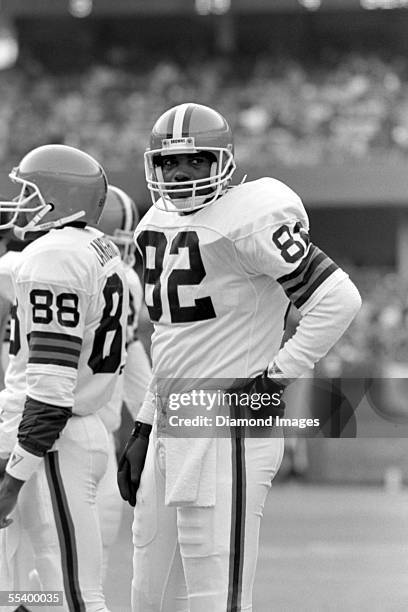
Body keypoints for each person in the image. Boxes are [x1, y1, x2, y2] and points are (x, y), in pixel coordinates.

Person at [118, 102, 362, 612]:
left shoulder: (251, 214)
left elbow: (338, 298)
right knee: (148, 596)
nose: (179, 172)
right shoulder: (153, 224)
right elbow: (169, 339)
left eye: (196, 160)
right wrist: (144, 425)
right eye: (168, 163)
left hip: (228, 424)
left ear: (223, 163)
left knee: (217, 597)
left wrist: (275, 379)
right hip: (170, 422)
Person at [0, 144, 129, 612]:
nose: (22, 203)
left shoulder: (55, 257)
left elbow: (51, 392)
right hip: (77, 429)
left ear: (60, 196)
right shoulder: (94, 247)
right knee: (42, 591)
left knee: (77, 597)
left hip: (53, 438)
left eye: (31, 192)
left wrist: (13, 477)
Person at [95, 185, 151, 582]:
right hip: (87, 431)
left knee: (30, 562)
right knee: (83, 571)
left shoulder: (28, 265)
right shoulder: (126, 281)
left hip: (24, 428)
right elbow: (134, 364)